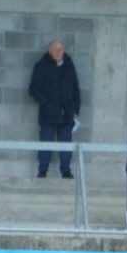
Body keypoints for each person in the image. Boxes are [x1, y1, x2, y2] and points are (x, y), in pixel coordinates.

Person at [28, 39, 81, 179]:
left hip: (67, 113)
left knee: (66, 144)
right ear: (50, 50)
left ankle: (66, 171)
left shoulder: (69, 65)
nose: (58, 52)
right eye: (55, 49)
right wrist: (47, 103)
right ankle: (42, 171)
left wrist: (76, 109)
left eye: (61, 49)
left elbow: (75, 89)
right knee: (46, 143)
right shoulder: (41, 66)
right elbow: (33, 89)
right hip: (48, 114)